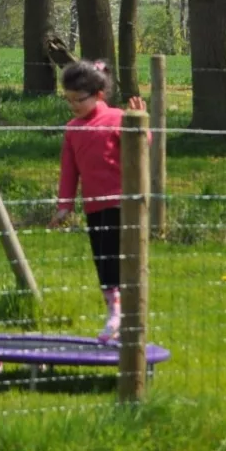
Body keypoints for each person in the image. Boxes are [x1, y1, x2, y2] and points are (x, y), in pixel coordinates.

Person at [49, 60, 145, 341]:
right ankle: (114, 313)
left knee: (116, 259)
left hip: (122, 204)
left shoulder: (118, 118)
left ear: (98, 94)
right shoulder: (72, 128)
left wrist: (139, 124)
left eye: (78, 99)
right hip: (94, 206)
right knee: (101, 260)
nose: (73, 105)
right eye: (68, 100)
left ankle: (121, 314)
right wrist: (64, 205)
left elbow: (143, 146)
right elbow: (69, 170)